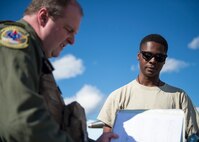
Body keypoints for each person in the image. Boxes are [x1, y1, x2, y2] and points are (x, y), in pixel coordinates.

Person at [0, 0, 118, 142]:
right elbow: (21, 123)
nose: (72, 41)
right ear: (43, 17)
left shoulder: (34, 54)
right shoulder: (15, 40)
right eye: (69, 30)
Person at [97, 34, 199, 140]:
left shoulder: (180, 96)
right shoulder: (118, 96)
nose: (153, 61)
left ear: (164, 60)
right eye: (147, 55)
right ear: (138, 56)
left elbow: (194, 136)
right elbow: (107, 137)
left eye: (159, 57)